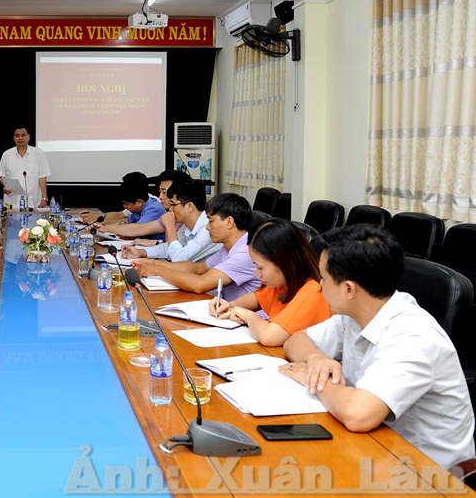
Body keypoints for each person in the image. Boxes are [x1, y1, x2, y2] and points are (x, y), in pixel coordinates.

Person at [281, 225, 475, 471]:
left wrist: (316, 380)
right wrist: (316, 358)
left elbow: (357, 414)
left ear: (348, 288)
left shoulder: (414, 336)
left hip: (427, 473)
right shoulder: (354, 313)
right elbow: (295, 341)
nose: (319, 285)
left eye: (324, 278)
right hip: (373, 448)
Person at [209, 218, 331, 346]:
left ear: (283, 262)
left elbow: (269, 337)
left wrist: (247, 315)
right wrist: (229, 305)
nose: (257, 273)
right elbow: (256, 298)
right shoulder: (283, 282)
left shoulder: (313, 291)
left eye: (260, 267)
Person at [136, 192, 261, 300]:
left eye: (211, 221)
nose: (207, 227)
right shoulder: (229, 247)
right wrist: (154, 263)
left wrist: (157, 270)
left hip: (244, 320)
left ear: (229, 222)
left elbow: (199, 284)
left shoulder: (245, 253)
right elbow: (198, 268)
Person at [121, 180, 220, 263]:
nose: (170, 209)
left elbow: (178, 259)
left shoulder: (207, 229)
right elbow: (171, 248)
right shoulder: (187, 226)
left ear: (189, 206)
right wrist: (141, 252)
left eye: (173, 204)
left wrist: (170, 227)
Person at [0, 126, 50, 208]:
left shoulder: (38, 153)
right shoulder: (7, 154)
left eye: (23, 135)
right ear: (14, 138)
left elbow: (42, 177)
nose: (20, 138)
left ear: (29, 137)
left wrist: (44, 198)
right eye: (17, 136)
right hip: (11, 201)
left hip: (34, 201)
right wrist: (6, 185)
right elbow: (1, 175)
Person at [95, 179, 166, 240]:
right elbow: (128, 223)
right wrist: (102, 226)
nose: (125, 207)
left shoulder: (154, 209)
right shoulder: (138, 209)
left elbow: (138, 229)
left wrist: (107, 228)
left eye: (127, 204)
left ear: (139, 202)